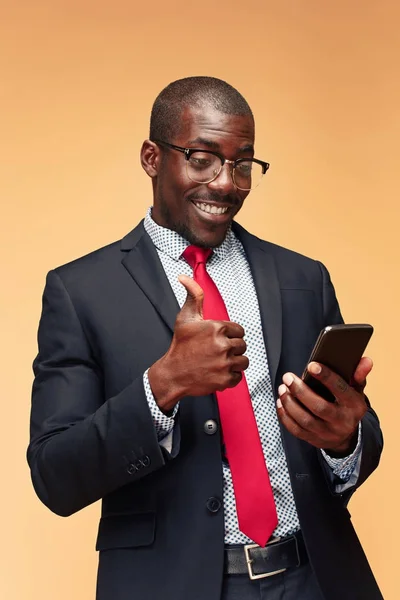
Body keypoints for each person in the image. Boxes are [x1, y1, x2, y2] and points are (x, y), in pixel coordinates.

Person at [27, 76, 383, 600]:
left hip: (318, 578)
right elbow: (55, 476)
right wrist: (160, 388)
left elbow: (359, 436)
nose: (224, 183)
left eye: (242, 164)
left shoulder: (304, 277)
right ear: (152, 158)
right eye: (201, 158)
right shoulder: (80, 291)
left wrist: (345, 440)